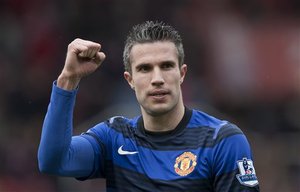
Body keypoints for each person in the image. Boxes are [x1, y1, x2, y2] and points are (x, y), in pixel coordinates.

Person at [38, 21, 260, 192]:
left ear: (181, 74)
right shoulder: (113, 137)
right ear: (130, 79)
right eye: (145, 69)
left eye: (166, 66)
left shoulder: (222, 140)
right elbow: (53, 161)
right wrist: (68, 79)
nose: (157, 78)